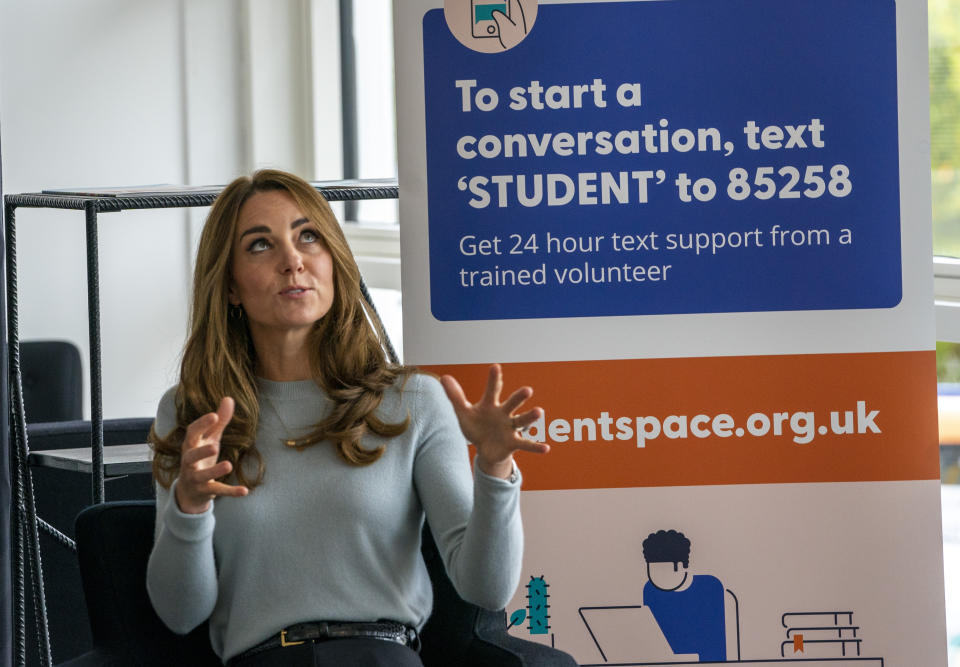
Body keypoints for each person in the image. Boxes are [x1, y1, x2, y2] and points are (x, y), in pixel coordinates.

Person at [146, 169, 549, 666]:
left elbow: (486, 588)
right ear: (229, 285)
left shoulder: (413, 401)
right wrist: (188, 505)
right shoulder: (191, 414)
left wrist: (494, 469)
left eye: (308, 237)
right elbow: (180, 614)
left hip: (383, 656)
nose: (292, 261)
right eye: (259, 245)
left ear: (334, 260)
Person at [641, 529, 726, 662]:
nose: (659, 576)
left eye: (663, 569)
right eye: (653, 569)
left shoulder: (711, 587)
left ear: (681, 565)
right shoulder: (650, 590)